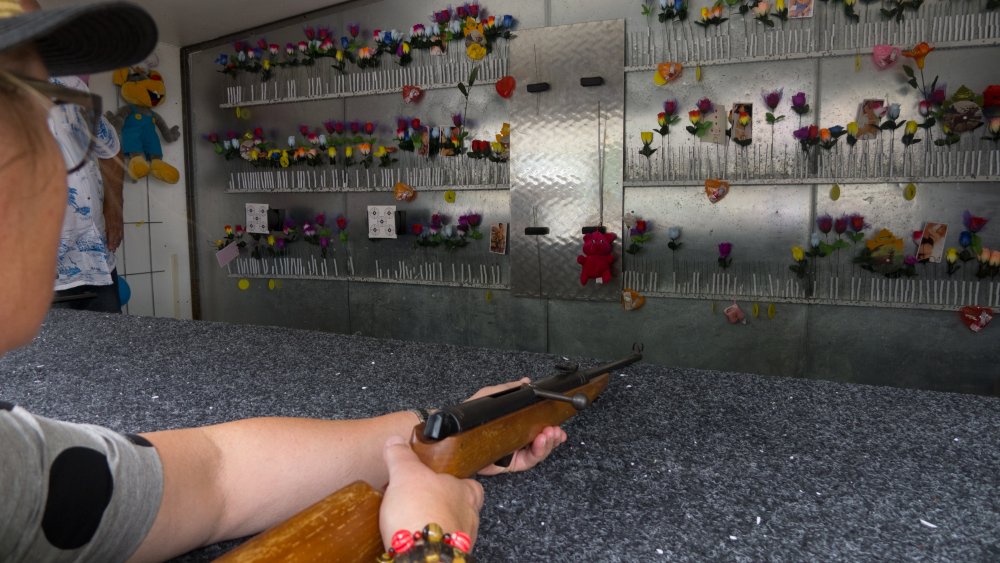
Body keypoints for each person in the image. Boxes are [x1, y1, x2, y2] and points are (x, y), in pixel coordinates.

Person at [0, 3, 566, 562]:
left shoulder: (19, 463)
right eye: (37, 110)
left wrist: (444, 431)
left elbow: (219, 474)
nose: (61, 162)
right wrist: (429, 545)